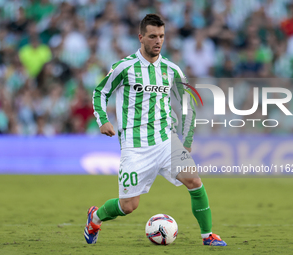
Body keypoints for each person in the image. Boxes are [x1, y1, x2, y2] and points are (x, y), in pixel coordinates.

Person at [85, 14, 227, 247]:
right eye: (152, 36)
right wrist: (103, 120)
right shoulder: (125, 67)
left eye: (161, 36)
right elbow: (100, 92)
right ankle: (95, 217)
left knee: (194, 180)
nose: (158, 41)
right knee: (128, 206)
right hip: (135, 146)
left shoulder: (172, 70)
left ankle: (208, 235)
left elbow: (187, 104)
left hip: (166, 140)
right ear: (141, 37)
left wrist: (187, 138)